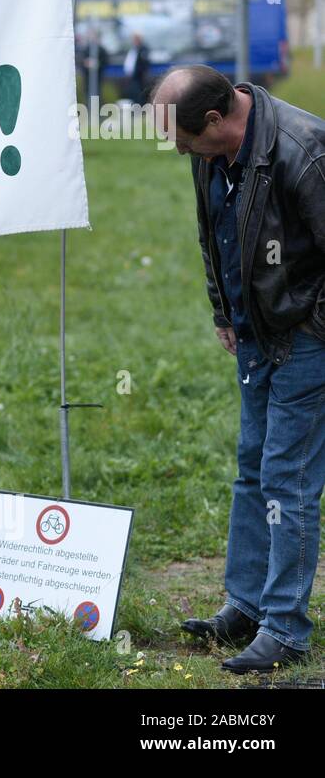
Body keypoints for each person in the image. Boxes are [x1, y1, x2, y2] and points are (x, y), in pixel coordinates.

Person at [152, 64, 325, 673]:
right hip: (251, 333)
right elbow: (213, 233)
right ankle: (245, 608)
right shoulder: (210, 152)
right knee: (252, 468)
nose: (176, 151)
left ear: (215, 121)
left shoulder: (303, 148)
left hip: (305, 338)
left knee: (288, 478)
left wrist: (313, 329)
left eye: (181, 138)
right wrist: (223, 310)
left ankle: (284, 629)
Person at [122, 32, 151, 104]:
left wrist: (140, 72)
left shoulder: (143, 49)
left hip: (139, 76)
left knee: (139, 93)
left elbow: (145, 63)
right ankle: (136, 109)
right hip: (132, 76)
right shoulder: (133, 49)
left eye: (135, 39)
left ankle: (141, 109)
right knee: (133, 93)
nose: (133, 41)